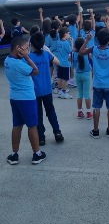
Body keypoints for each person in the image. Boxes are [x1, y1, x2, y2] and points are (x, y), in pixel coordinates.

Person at [6, 36, 45, 165]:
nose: (27, 51)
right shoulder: (19, 63)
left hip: (15, 97)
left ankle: (14, 154)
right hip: (27, 98)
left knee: (17, 125)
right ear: (18, 48)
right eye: (26, 48)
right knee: (32, 125)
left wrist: (24, 56)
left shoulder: (8, 60)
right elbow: (35, 71)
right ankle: (37, 154)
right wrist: (27, 58)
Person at [79, 28, 109, 138]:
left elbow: (81, 52)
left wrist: (86, 40)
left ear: (97, 39)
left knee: (96, 107)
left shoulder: (93, 49)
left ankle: (96, 131)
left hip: (98, 83)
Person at [29, 32, 63, 145]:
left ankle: (41, 137)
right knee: (50, 111)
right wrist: (49, 51)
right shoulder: (47, 55)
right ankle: (57, 132)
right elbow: (58, 62)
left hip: (34, 91)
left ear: (31, 45)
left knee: (37, 113)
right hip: (47, 89)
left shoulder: (28, 57)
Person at [72, 36, 93, 119]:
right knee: (87, 94)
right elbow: (93, 58)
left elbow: (69, 59)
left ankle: (79, 111)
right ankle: (88, 112)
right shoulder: (87, 54)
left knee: (80, 94)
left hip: (77, 74)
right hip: (86, 74)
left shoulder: (73, 54)